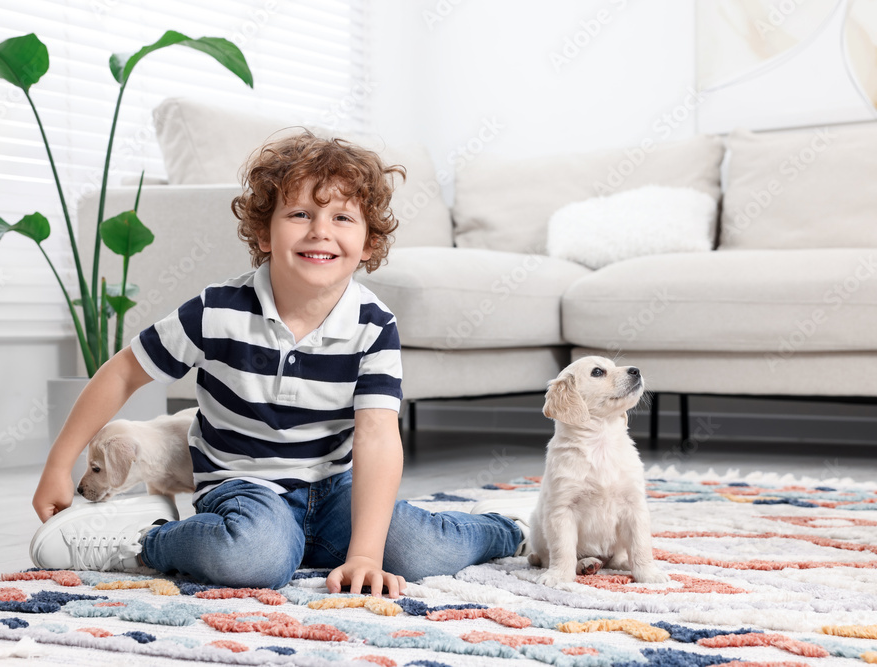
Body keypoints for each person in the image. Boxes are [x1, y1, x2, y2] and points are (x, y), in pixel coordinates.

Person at [30, 131, 525, 598]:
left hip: (335, 491)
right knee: (255, 561)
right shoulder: (216, 310)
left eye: (342, 219)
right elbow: (123, 372)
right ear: (264, 234)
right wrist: (59, 464)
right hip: (242, 489)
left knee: (421, 550)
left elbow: (377, 435)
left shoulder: (374, 324)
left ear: (369, 244)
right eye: (300, 214)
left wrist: (367, 554)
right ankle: (145, 541)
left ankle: (517, 528)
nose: (320, 231)